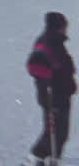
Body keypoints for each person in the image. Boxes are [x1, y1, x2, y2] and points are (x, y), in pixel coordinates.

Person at [28, 11, 74, 163]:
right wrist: (49, 77)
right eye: (64, 26)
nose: (65, 29)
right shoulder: (46, 42)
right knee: (55, 131)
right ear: (58, 26)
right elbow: (33, 65)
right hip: (51, 94)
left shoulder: (56, 42)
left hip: (61, 94)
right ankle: (38, 157)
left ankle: (53, 159)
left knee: (61, 131)